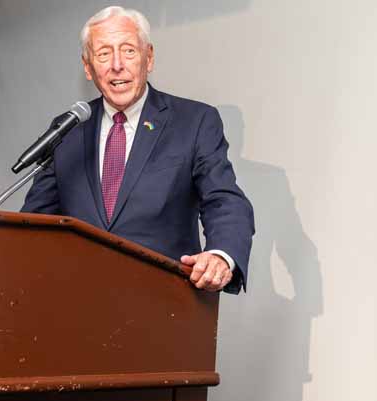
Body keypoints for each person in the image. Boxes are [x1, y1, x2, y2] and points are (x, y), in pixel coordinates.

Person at [21, 6, 254, 293]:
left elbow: (224, 200)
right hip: (77, 304)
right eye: (104, 53)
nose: (117, 65)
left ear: (149, 57)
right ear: (88, 67)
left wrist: (221, 254)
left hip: (164, 305)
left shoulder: (193, 121)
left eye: (129, 51)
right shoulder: (68, 129)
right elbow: (34, 224)